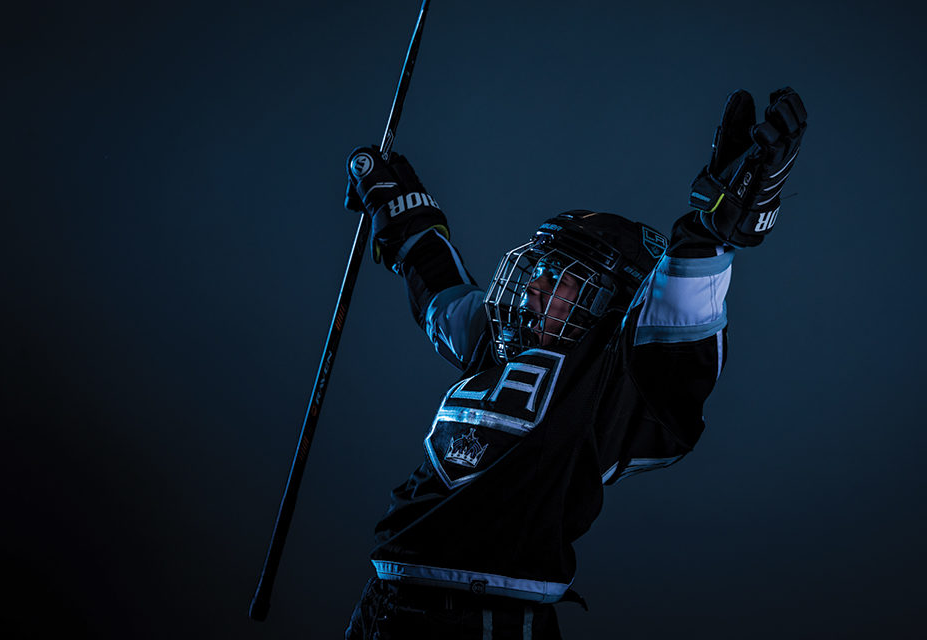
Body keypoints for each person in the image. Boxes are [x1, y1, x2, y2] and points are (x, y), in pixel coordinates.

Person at [342, 87, 807, 639]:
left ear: (609, 301)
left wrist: (714, 232)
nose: (533, 285)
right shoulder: (497, 343)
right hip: (383, 605)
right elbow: (440, 290)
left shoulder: (613, 384)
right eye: (535, 266)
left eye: (559, 276)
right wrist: (399, 208)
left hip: (484, 621)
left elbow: (678, 320)